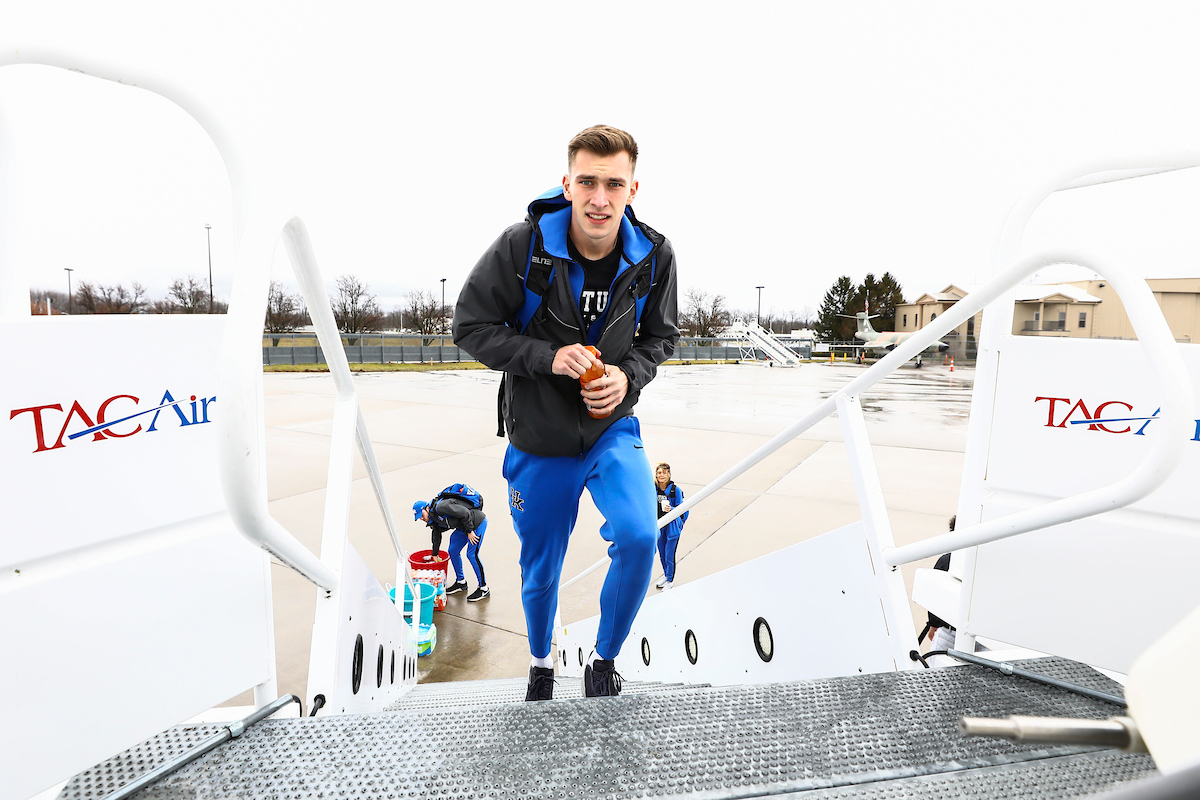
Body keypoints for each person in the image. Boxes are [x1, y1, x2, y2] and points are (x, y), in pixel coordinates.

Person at [453, 125, 679, 701]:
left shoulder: (654, 255)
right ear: (567, 183)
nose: (599, 199)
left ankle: (603, 661)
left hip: (611, 430)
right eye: (587, 182)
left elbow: (661, 338)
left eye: (614, 184)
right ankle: (540, 665)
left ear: (633, 189)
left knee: (639, 536)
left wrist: (628, 376)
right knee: (541, 571)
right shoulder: (521, 247)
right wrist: (547, 358)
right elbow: (470, 327)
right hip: (539, 438)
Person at [413, 486, 490, 602]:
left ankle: (484, 588)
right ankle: (461, 582)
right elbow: (436, 533)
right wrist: (435, 553)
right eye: (419, 518)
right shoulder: (433, 517)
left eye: (421, 515)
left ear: (426, 508)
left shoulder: (441, 507)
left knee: (471, 554)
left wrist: (470, 531)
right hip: (464, 527)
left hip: (476, 523)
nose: (421, 518)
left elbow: (465, 513)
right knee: (453, 551)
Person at [653, 462, 688, 590]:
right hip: (659, 525)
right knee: (662, 553)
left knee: (669, 554)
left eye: (664, 473)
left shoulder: (675, 490)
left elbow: (683, 508)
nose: (661, 475)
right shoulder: (653, 489)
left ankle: (670, 580)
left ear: (669, 474)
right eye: (659, 473)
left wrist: (671, 509)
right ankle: (666, 575)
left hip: (672, 527)